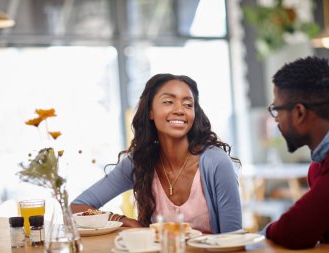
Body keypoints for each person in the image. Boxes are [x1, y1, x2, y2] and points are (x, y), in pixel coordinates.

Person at [71, 73, 242, 233]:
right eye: (168, 102)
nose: (180, 110)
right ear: (150, 112)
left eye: (188, 104)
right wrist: (122, 220)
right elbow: (77, 207)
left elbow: (234, 240)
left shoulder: (217, 163)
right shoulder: (139, 162)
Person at [264, 56, 329, 249]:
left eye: (277, 110)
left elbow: (294, 230)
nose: (276, 120)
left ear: (299, 113)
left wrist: (263, 234)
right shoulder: (318, 166)